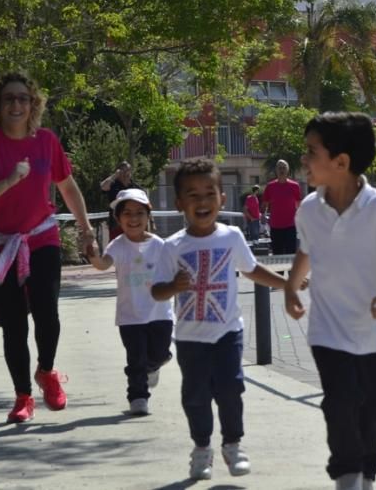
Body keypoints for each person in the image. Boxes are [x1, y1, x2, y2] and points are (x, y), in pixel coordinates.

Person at [285, 112, 376, 490]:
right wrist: (291, 288)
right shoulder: (309, 209)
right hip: (327, 332)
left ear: (341, 162)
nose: (304, 160)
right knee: (339, 405)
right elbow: (305, 251)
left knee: (372, 414)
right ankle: (346, 475)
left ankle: (368, 475)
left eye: (312, 152)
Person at [0, 72, 95, 424]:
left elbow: (67, 187)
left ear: (33, 104)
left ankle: (47, 372)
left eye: (23, 98)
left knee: (47, 313)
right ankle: (23, 397)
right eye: (9, 99)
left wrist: (85, 230)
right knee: (14, 326)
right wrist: (8, 181)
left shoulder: (46, 142)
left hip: (41, 237)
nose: (16, 104)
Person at [152, 157, 295, 481]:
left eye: (208, 193)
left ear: (222, 198)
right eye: (193, 194)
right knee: (196, 396)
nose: (202, 201)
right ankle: (202, 449)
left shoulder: (231, 237)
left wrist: (286, 283)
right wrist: (173, 286)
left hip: (228, 333)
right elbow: (157, 292)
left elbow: (251, 269)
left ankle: (233, 444)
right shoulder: (172, 247)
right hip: (190, 339)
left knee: (231, 390)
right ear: (179, 203)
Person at [86, 188, 173, 416]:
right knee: (136, 359)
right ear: (118, 218)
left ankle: (153, 367)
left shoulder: (159, 245)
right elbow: (103, 264)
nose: (133, 219)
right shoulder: (118, 245)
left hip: (159, 313)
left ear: (148, 216)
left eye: (139, 213)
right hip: (130, 315)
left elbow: (175, 271)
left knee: (160, 353)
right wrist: (92, 253)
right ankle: (138, 396)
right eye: (127, 213)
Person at [261, 159, 301, 255]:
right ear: (276, 170)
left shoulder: (295, 186)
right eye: (279, 168)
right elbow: (264, 204)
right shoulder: (270, 187)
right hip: (275, 226)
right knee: (277, 255)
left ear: (287, 170)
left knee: (291, 255)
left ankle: (292, 271)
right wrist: (263, 214)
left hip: (290, 226)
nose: (282, 170)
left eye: (284, 168)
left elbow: (298, 204)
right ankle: (278, 271)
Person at [101, 161, 139, 240]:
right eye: (123, 171)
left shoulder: (135, 187)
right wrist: (115, 175)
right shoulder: (113, 185)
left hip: (132, 225)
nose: (126, 173)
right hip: (116, 225)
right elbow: (103, 187)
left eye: (128, 170)